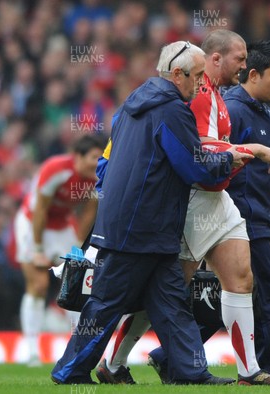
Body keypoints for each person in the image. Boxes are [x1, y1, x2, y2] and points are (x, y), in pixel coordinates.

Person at [97, 30, 270, 386]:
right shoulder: (197, 93)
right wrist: (249, 149)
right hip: (191, 198)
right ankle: (113, 361)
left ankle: (249, 371)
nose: (244, 64)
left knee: (241, 277)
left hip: (217, 199)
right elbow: (199, 147)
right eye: (239, 58)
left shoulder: (218, 95)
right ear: (216, 59)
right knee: (166, 292)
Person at [51, 40, 251, 385]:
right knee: (106, 305)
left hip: (143, 227)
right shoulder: (172, 111)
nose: (201, 84)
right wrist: (229, 158)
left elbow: (106, 164)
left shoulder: (132, 104)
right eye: (197, 76)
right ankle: (69, 371)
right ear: (177, 74)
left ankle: (190, 372)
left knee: (172, 306)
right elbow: (195, 167)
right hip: (140, 228)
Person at [223, 40, 270, 378]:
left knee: (242, 294)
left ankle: (167, 354)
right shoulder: (233, 110)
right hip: (241, 218)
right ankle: (268, 369)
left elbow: (261, 172)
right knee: (264, 295)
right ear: (253, 74)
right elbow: (218, 156)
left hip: (259, 215)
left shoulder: (262, 110)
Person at [15, 134, 104, 366]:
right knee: (39, 284)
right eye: (94, 157)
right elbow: (41, 210)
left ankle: (76, 348)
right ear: (77, 157)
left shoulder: (97, 176)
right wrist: (37, 249)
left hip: (64, 226)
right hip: (33, 223)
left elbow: (88, 213)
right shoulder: (56, 169)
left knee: (76, 286)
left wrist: (77, 244)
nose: (97, 163)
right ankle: (32, 352)